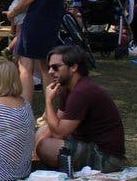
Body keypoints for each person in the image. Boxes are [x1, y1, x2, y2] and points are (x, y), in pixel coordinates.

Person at [35, 45, 127, 173]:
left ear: (73, 67)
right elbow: (55, 124)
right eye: (49, 67)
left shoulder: (82, 92)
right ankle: (39, 160)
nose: (50, 72)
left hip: (107, 158)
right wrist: (36, 151)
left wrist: (48, 101)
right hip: (87, 143)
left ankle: (46, 161)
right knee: (43, 130)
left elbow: (59, 133)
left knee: (46, 147)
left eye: (56, 67)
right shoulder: (68, 88)